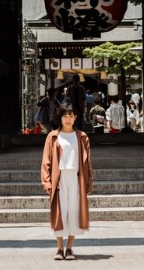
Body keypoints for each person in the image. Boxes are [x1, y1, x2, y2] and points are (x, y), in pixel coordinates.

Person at [40, 103, 93, 261]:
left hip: (76, 178)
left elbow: (88, 163)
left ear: (76, 117)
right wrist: (47, 182)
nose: (68, 119)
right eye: (65, 116)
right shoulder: (53, 136)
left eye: (71, 116)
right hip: (59, 178)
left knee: (73, 212)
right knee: (60, 212)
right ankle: (59, 248)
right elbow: (46, 161)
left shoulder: (82, 137)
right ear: (60, 117)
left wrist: (88, 183)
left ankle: (69, 248)